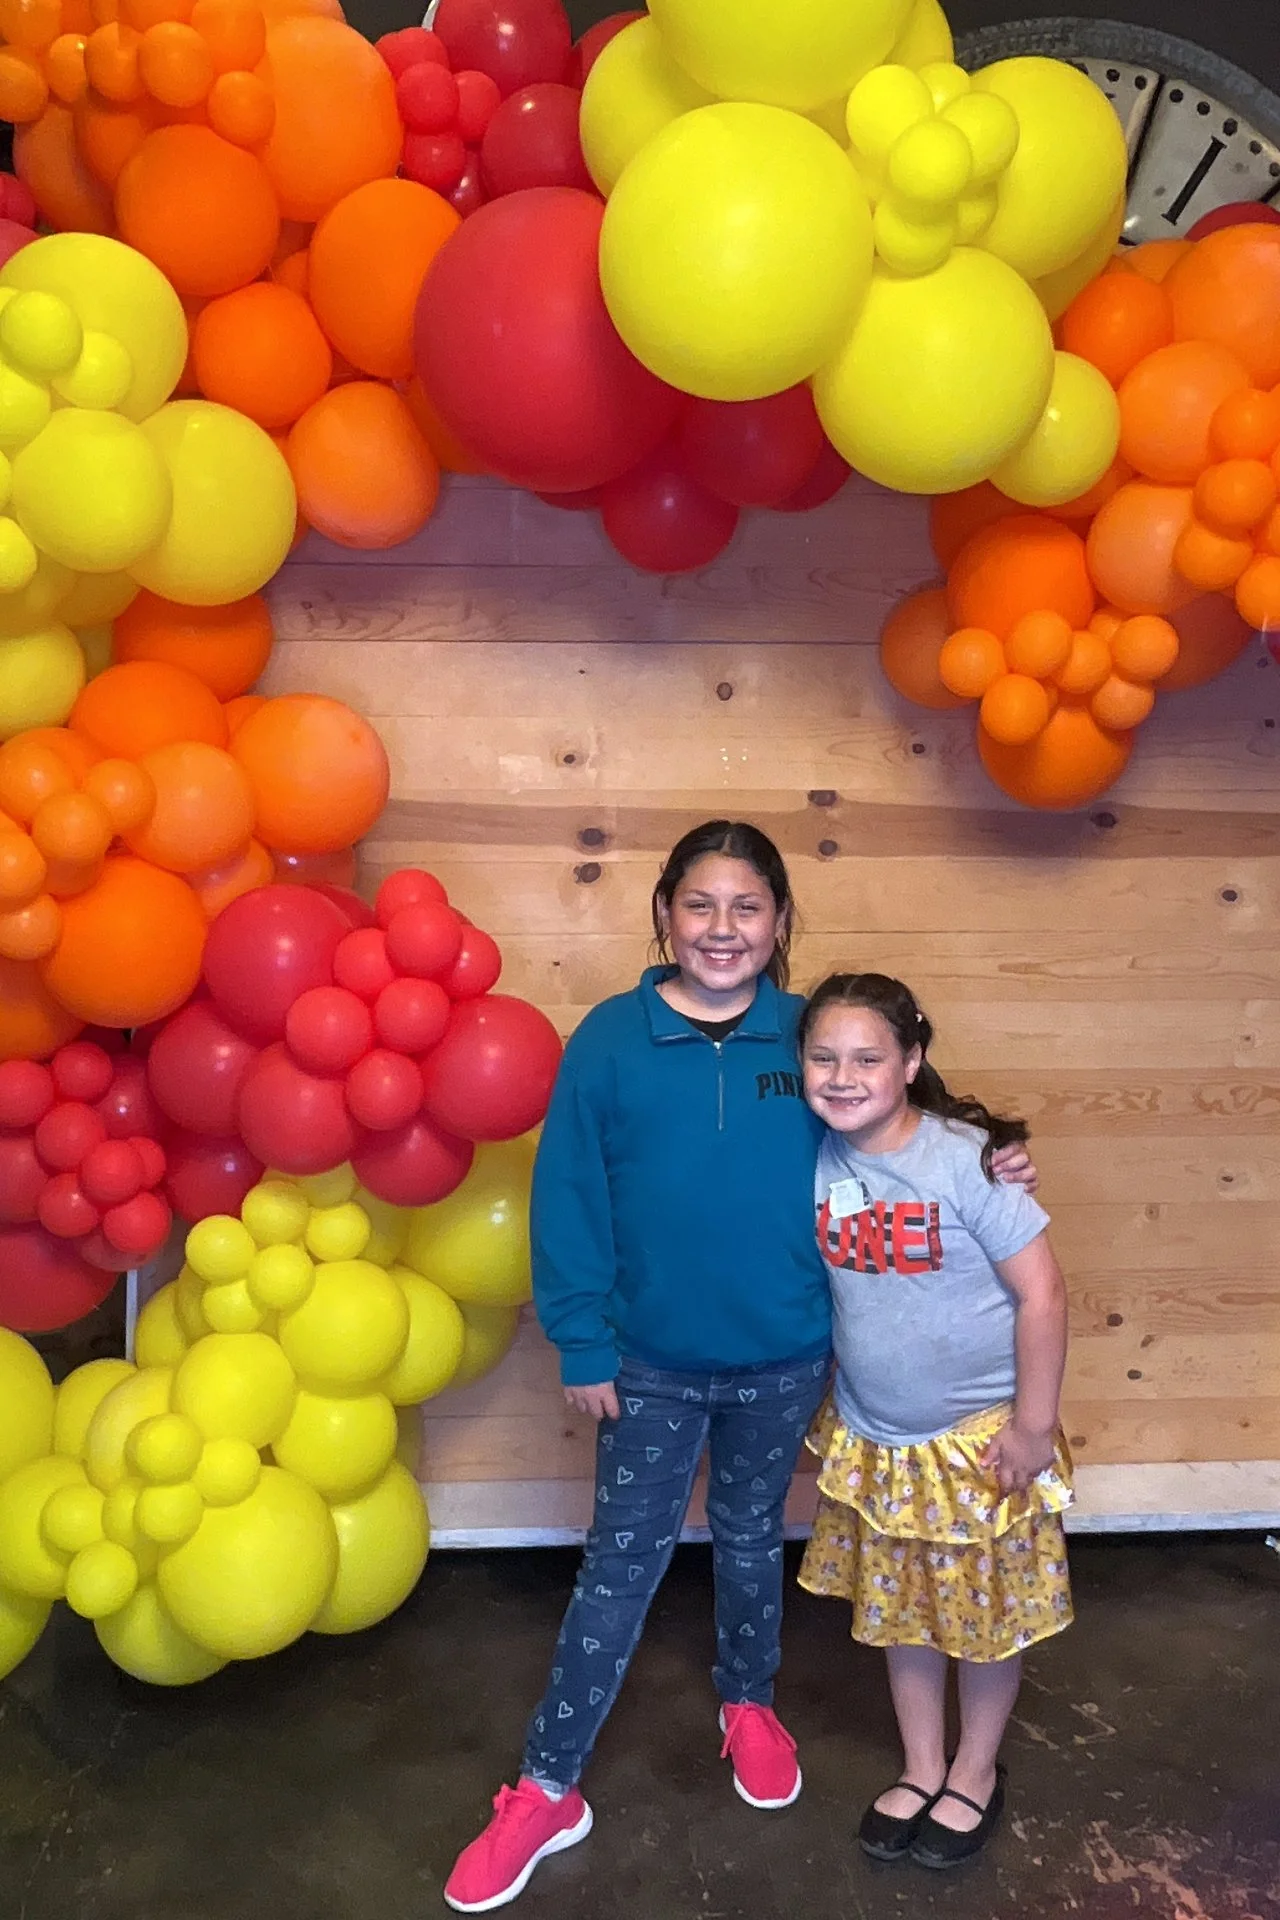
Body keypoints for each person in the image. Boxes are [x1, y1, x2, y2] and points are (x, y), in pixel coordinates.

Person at [444, 825, 1039, 1913]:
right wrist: (580, 1337)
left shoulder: (806, 1038)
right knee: (619, 1567)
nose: (723, 929)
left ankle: (748, 1702)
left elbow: (892, 1117)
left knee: (754, 1534)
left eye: (747, 907)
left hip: (784, 1359)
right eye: (700, 905)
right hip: (647, 1364)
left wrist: (988, 1143)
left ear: (780, 921)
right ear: (665, 913)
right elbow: (567, 1193)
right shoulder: (609, 1039)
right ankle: (546, 1786)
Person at [797, 972, 1072, 1871]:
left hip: (978, 1443)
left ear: (911, 1062)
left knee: (984, 1621)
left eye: (867, 1058)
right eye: (824, 1058)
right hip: (878, 1440)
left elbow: (1043, 1295)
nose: (843, 1077)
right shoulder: (814, 1152)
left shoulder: (967, 1159)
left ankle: (975, 1770)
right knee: (907, 1615)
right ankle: (922, 1766)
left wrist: (1033, 1428)